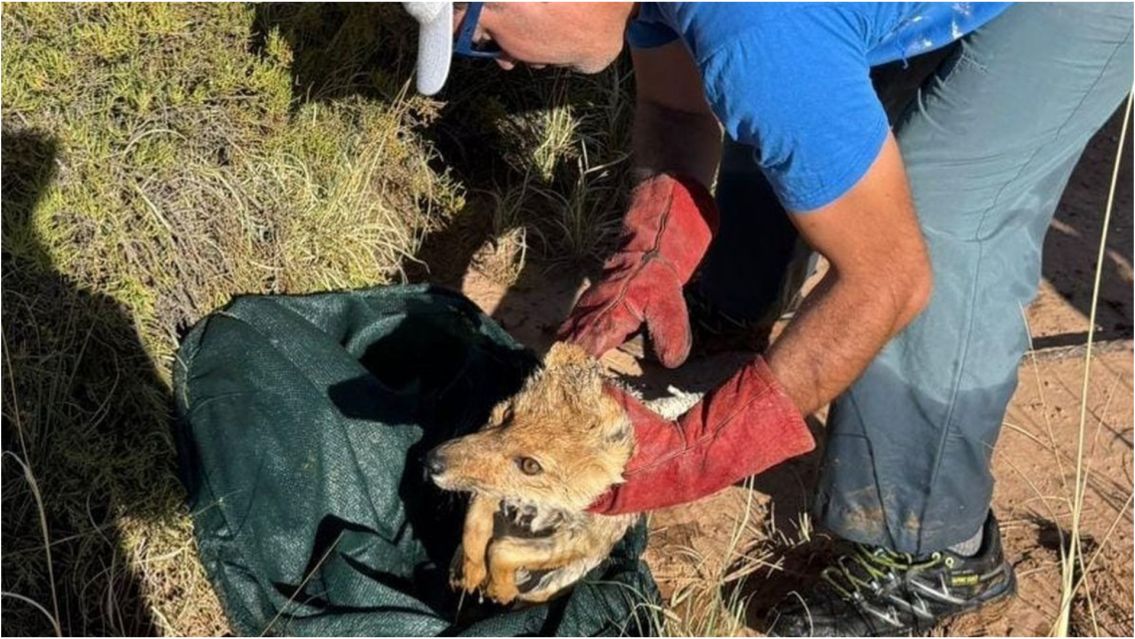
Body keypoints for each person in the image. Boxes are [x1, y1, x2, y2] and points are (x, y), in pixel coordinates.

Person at [404, 2, 1133, 635]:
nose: (495, 62)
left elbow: (888, 279)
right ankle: (739, 297)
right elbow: (678, 108)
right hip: (779, 34)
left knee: (943, 214)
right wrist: (652, 247)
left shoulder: (756, 31)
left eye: (483, 32)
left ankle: (932, 548)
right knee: (779, 104)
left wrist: (704, 447)